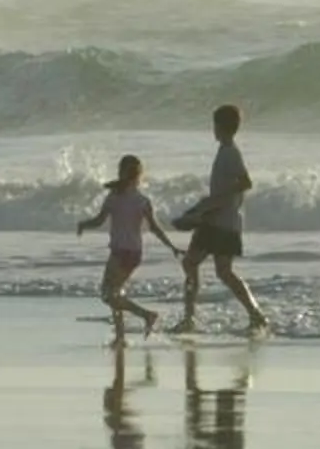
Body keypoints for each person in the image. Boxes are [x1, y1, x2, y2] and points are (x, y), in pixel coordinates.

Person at [173, 102, 270, 334]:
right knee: (200, 265)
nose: (212, 129)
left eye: (214, 125)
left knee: (213, 269)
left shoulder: (230, 153)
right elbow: (223, 191)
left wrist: (206, 207)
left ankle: (253, 314)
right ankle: (191, 318)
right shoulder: (225, 150)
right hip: (215, 220)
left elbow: (245, 183)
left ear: (220, 126)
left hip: (223, 222)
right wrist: (200, 209)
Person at [76, 153, 178, 339]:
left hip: (121, 253)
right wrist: (172, 246)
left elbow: (99, 221)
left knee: (108, 295)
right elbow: (155, 229)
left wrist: (84, 224)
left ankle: (146, 315)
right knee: (115, 293)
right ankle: (120, 335)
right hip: (134, 254)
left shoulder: (114, 197)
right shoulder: (142, 201)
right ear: (138, 176)